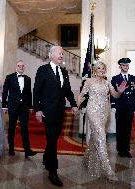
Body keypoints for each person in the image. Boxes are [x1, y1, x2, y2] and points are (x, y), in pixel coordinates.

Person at [33, 45, 78, 187]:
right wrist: (37, 110)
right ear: (51, 54)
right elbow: (37, 91)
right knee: (52, 141)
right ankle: (53, 172)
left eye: (63, 53)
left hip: (60, 112)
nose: (62, 55)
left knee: (53, 138)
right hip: (47, 112)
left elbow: (68, 91)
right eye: (59, 53)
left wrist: (73, 104)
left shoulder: (64, 72)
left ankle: (46, 159)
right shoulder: (42, 70)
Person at [77, 62, 127, 181]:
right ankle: (108, 169)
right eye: (99, 68)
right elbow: (82, 95)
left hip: (104, 113)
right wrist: (77, 106)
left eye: (103, 68)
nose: (101, 70)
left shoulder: (107, 82)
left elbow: (115, 95)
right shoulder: (89, 81)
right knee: (101, 137)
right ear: (94, 70)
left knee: (95, 136)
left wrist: (120, 91)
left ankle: (85, 161)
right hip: (92, 111)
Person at [2, 60, 37, 158]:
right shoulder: (9, 77)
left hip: (24, 108)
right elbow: (5, 92)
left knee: (25, 128)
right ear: (16, 67)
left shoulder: (28, 78)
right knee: (11, 128)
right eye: (19, 66)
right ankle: (11, 149)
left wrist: (30, 107)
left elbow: (29, 94)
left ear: (23, 67)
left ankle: (27, 150)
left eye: (22, 66)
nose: (21, 67)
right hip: (12, 106)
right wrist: (4, 106)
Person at [111, 58, 135, 158]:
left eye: (127, 65)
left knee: (127, 129)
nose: (125, 67)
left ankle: (126, 150)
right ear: (120, 66)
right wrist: (113, 105)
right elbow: (113, 93)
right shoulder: (115, 78)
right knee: (120, 128)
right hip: (119, 107)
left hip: (130, 107)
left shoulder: (133, 78)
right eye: (123, 65)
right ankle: (120, 150)